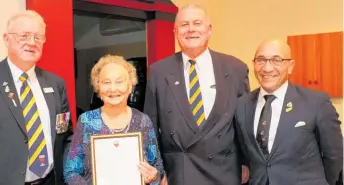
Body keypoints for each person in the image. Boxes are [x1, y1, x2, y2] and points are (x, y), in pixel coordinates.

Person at [0, 10, 73, 185]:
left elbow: (65, 135)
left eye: (38, 37)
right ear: (6, 38)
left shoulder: (56, 83)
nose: (32, 43)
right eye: (24, 36)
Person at [143, 3, 250, 185]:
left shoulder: (236, 69)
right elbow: (150, 128)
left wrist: (246, 164)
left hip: (225, 171)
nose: (191, 29)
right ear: (175, 31)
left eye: (197, 23)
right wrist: (159, 171)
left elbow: (245, 124)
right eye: (184, 25)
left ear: (209, 30)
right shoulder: (158, 71)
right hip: (179, 171)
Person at [234, 39, 343, 185]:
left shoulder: (315, 102)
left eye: (276, 60)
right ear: (253, 64)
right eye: (261, 60)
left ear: (290, 66)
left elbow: (335, 156)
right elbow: (244, 155)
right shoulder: (241, 106)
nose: (267, 68)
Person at [64, 55, 164, 185]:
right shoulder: (86, 121)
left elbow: (157, 166)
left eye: (119, 81)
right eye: (106, 82)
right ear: (97, 87)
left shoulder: (143, 121)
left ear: (130, 86)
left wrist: (153, 177)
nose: (113, 89)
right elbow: (71, 171)